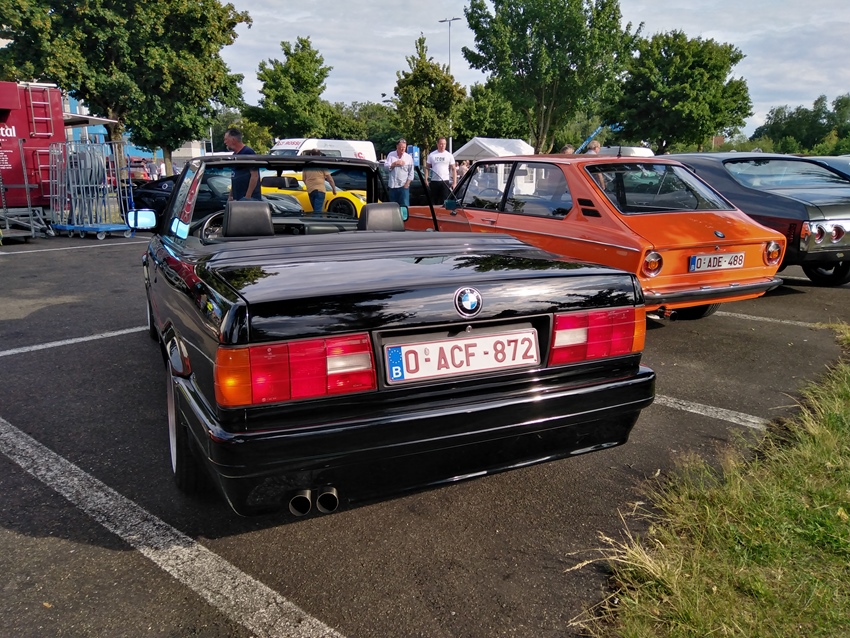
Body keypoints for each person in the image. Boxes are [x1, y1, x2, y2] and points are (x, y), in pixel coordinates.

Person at [224, 127, 261, 201]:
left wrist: (247, 197)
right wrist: (231, 195)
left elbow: (254, 176)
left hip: (250, 200)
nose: (225, 142)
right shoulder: (235, 155)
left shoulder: (248, 153)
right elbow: (235, 177)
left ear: (233, 140)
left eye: (226, 139)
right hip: (238, 199)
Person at [301, 149, 337, 215]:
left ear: (311, 155)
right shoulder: (322, 165)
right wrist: (334, 189)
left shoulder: (307, 167)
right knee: (317, 211)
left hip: (310, 190)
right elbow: (330, 179)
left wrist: (308, 185)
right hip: (320, 190)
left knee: (315, 209)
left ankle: (317, 219)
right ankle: (316, 220)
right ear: (320, 155)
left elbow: (303, 179)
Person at [384, 138, 414, 209]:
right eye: (401, 147)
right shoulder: (391, 155)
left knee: (404, 207)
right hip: (392, 186)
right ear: (397, 147)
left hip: (403, 187)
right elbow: (385, 167)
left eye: (404, 148)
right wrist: (394, 163)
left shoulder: (408, 157)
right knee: (392, 208)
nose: (402, 149)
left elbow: (411, 173)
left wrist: (407, 184)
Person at [426, 137, 457, 204]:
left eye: (444, 144)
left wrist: (454, 182)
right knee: (434, 201)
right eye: (441, 144)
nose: (442, 146)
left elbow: (453, 169)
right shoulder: (432, 155)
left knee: (444, 200)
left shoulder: (449, 155)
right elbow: (427, 167)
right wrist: (426, 179)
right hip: (434, 181)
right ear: (437, 144)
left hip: (445, 181)